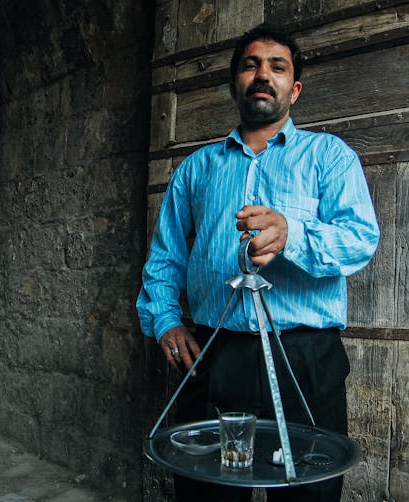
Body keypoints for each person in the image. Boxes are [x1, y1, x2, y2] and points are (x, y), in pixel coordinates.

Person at [137, 23, 380, 501]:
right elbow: (164, 255)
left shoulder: (329, 157)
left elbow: (360, 240)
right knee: (205, 490)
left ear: (295, 87)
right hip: (212, 353)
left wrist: (292, 234)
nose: (263, 75)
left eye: (277, 66)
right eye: (250, 65)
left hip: (305, 356)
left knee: (308, 491)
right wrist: (165, 321)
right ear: (234, 85)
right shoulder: (196, 169)